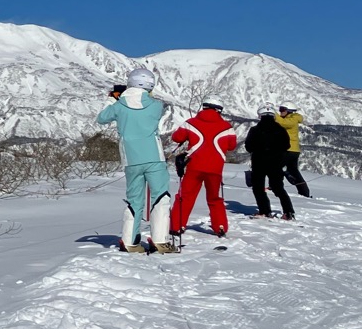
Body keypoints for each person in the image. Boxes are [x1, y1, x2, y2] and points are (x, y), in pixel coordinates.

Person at [97, 67, 172, 251]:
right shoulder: (156, 105)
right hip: (154, 157)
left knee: (134, 200)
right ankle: (160, 240)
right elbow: (145, 100)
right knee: (160, 196)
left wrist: (112, 98)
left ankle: (130, 241)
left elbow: (101, 118)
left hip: (131, 159)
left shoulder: (118, 106)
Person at [169, 100, 238, 245]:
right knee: (214, 198)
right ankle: (220, 226)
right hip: (215, 168)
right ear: (219, 109)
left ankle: (177, 226)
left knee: (185, 196)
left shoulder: (191, 123)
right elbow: (231, 146)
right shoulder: (227, 127)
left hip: (194, 166)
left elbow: (176, 137)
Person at [245, 104, 296, 220]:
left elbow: (248, 147)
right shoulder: (281, 130)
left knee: (258, 188)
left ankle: (264, 211)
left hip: (258, 162)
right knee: (278, 188)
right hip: (276, 162)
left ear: (260, 116)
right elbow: (287, 145)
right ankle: (288, 212)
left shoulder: (254, 130)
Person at [274, 103, 311, 197]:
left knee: (276, 167)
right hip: (293, 150)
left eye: (282, 109)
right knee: (293, 171)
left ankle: (276, 186)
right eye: (280, 109)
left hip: (288, 149)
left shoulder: (292, 119)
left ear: (289, 110)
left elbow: (283, 123)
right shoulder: (290, 118)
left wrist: (273, 114)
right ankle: (304, 192)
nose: (280, 111)